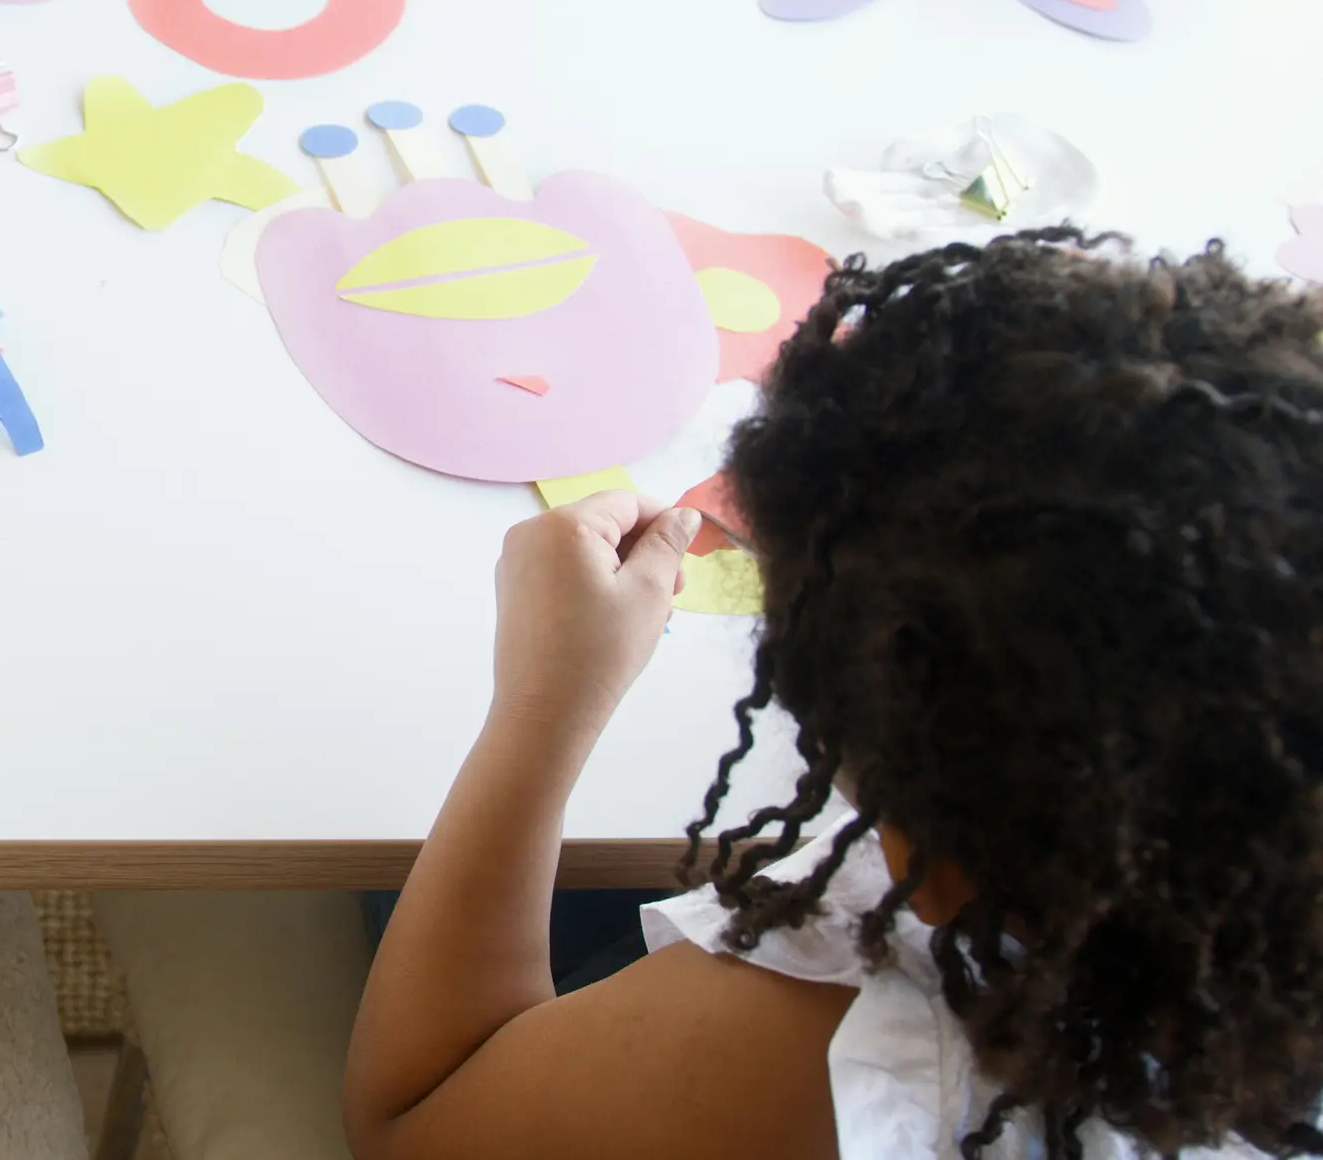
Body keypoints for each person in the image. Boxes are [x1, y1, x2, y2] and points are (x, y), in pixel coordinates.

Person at [345, 230, 1323, 1159]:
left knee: (374, 858)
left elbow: (409, 1123)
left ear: (923, 865)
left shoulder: (833, 1053)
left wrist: (542, 706)